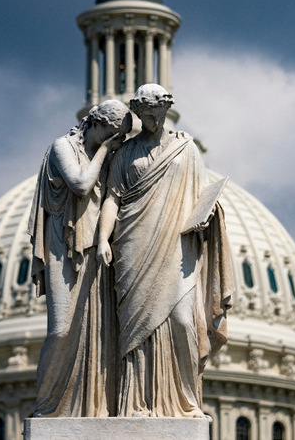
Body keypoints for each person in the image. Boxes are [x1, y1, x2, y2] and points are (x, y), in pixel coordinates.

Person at [97, 84, 233, 417]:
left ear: (166, 111)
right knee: (134, 328)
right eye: (146, 116)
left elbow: (203, 195)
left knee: (183, 321)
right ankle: (136, 403)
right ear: (138, 114)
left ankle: (185, 402)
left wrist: (209, 215)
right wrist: (102, 239)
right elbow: (112, 198)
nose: (153, 121)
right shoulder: (124, 153)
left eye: (158, 114)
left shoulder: (186, 149)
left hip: (177, 245)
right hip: (132, 243)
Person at [28, 99, 131, 417]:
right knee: (61, 331)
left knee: (96, 335)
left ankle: (92, 405)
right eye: (113, 134)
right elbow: (81, 184)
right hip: (63, 249)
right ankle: (48, 406)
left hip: (95, 252)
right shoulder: (63, 147)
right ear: (97, 123)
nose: (115, 142)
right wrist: (106, 150)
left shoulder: (112, 157)